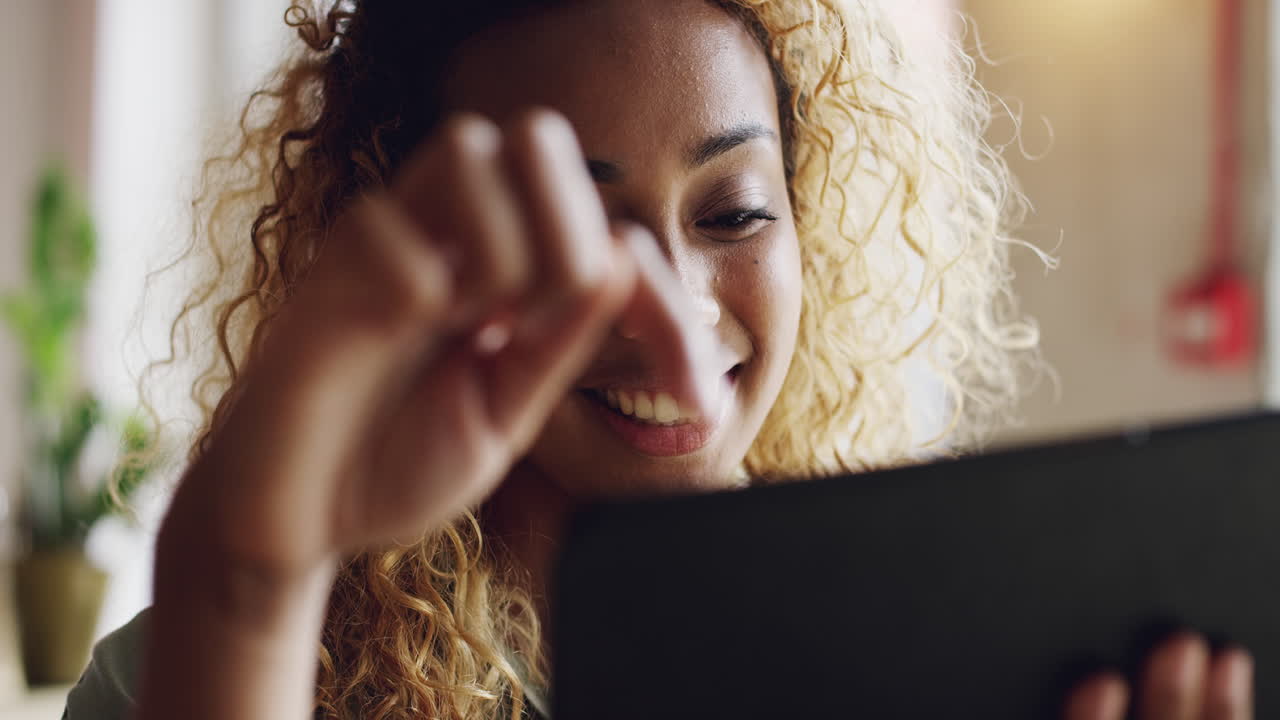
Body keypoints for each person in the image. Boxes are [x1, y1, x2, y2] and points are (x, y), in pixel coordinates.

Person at [64, 1, 1254, 719]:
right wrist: (247, 584)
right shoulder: (197, 670)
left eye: (731, 213)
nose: (672, 317)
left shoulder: (932, 650)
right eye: (575, 227)